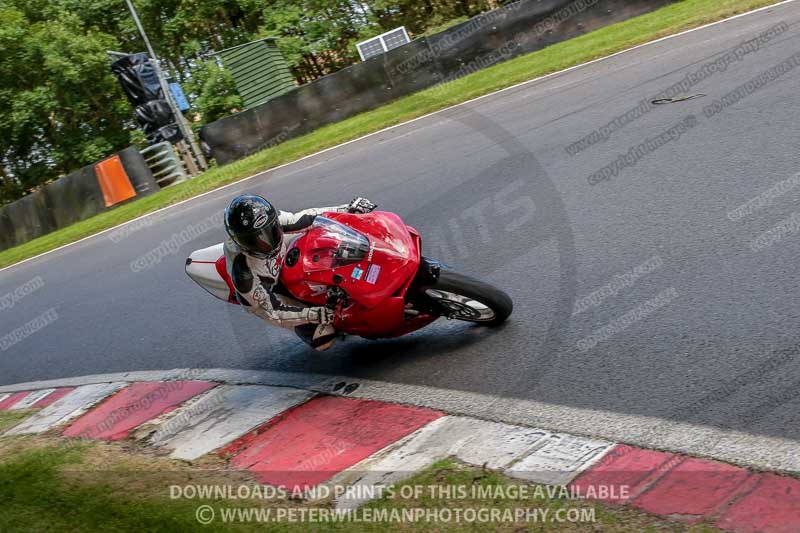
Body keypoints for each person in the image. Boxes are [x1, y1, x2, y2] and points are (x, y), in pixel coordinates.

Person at [223, 194, 376, 350]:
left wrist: (347, 209)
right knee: (323, 338)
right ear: (238, 242)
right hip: (272, 291)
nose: (265, 243)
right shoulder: (244, 275)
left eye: (270, 231)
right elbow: (272, 312)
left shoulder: (275, 219)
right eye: (252, 241)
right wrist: (314, 314)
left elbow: (309, 217)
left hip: (285, 253)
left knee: (325, 238)